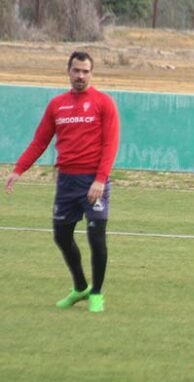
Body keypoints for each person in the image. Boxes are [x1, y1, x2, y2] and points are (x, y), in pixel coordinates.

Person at [4, 51, 120, 313]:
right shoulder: (57, 105)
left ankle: (97, 293)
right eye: (76, 70)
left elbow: (110, 144)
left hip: (93, 180)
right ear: (68, 71)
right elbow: (40, 141)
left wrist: (100, 179)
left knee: (96, 237)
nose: (80, 76)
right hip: (66, 182)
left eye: (85, 71)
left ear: (92, 73)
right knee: (61, 235)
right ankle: (80, 287)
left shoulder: (104, 103)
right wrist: (19, 169)